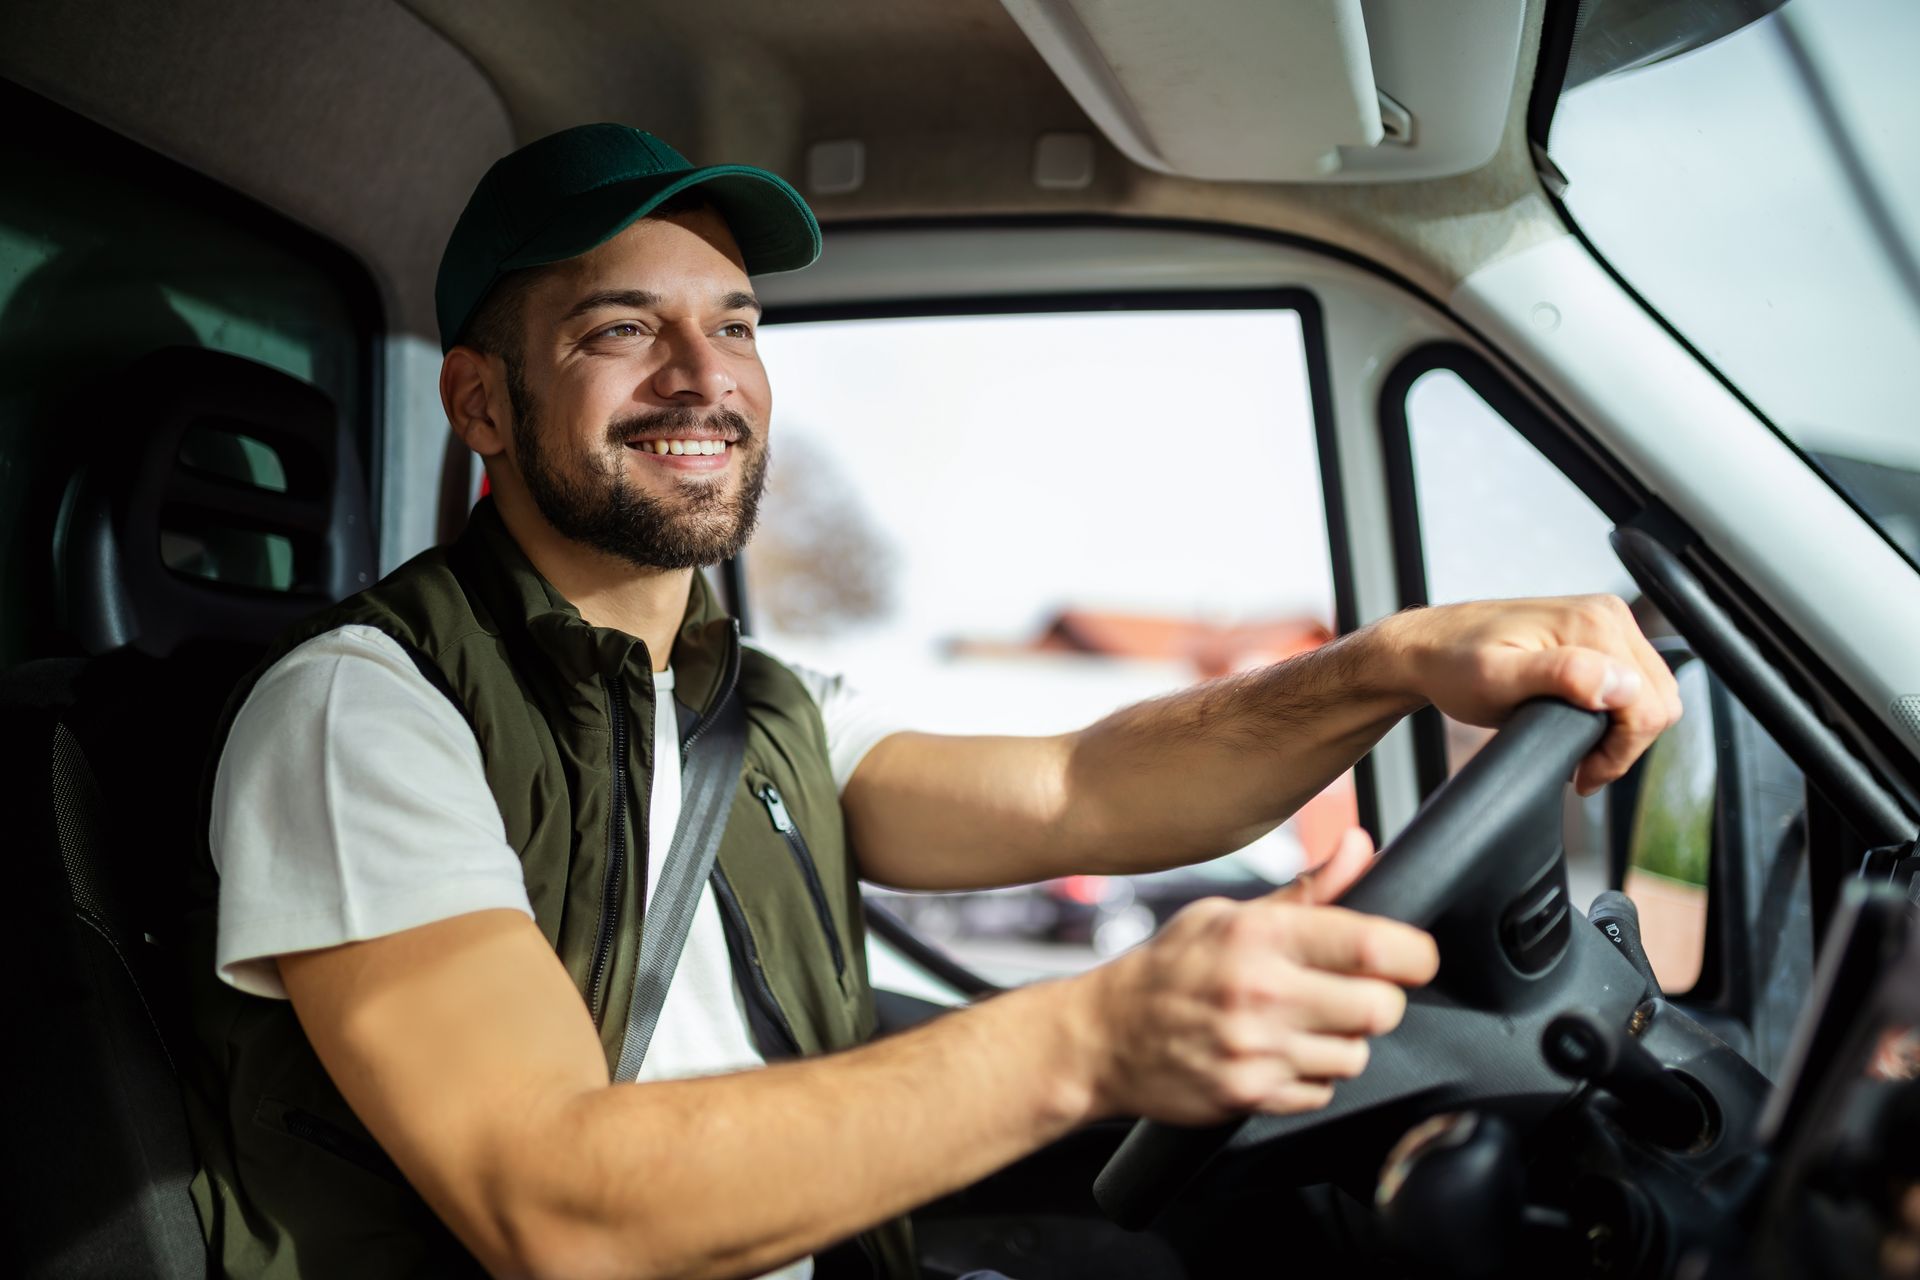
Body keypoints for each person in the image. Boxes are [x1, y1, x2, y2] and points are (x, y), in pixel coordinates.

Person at [180, 123, 1682, 1280]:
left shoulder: (750, 702)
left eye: (739, 323)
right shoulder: (364, 715)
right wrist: (1098, 1038)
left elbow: (1088, 791)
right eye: (621, 329)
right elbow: (553, 1207)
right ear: (480, 402)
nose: (707, 379)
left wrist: (1392, 663)